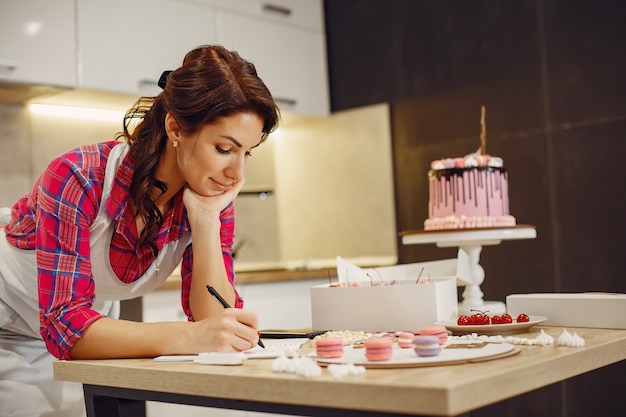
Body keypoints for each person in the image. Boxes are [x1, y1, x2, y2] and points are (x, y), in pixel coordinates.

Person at [0, 44, 280, 417]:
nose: (238, 174)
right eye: (224, 148)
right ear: (175, 127)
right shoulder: (77, 176)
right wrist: (191, 337)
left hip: (83, 339)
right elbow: (65, 324)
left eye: (247, 153)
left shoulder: (209, 197)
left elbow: (213, 321)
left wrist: (205, 220)